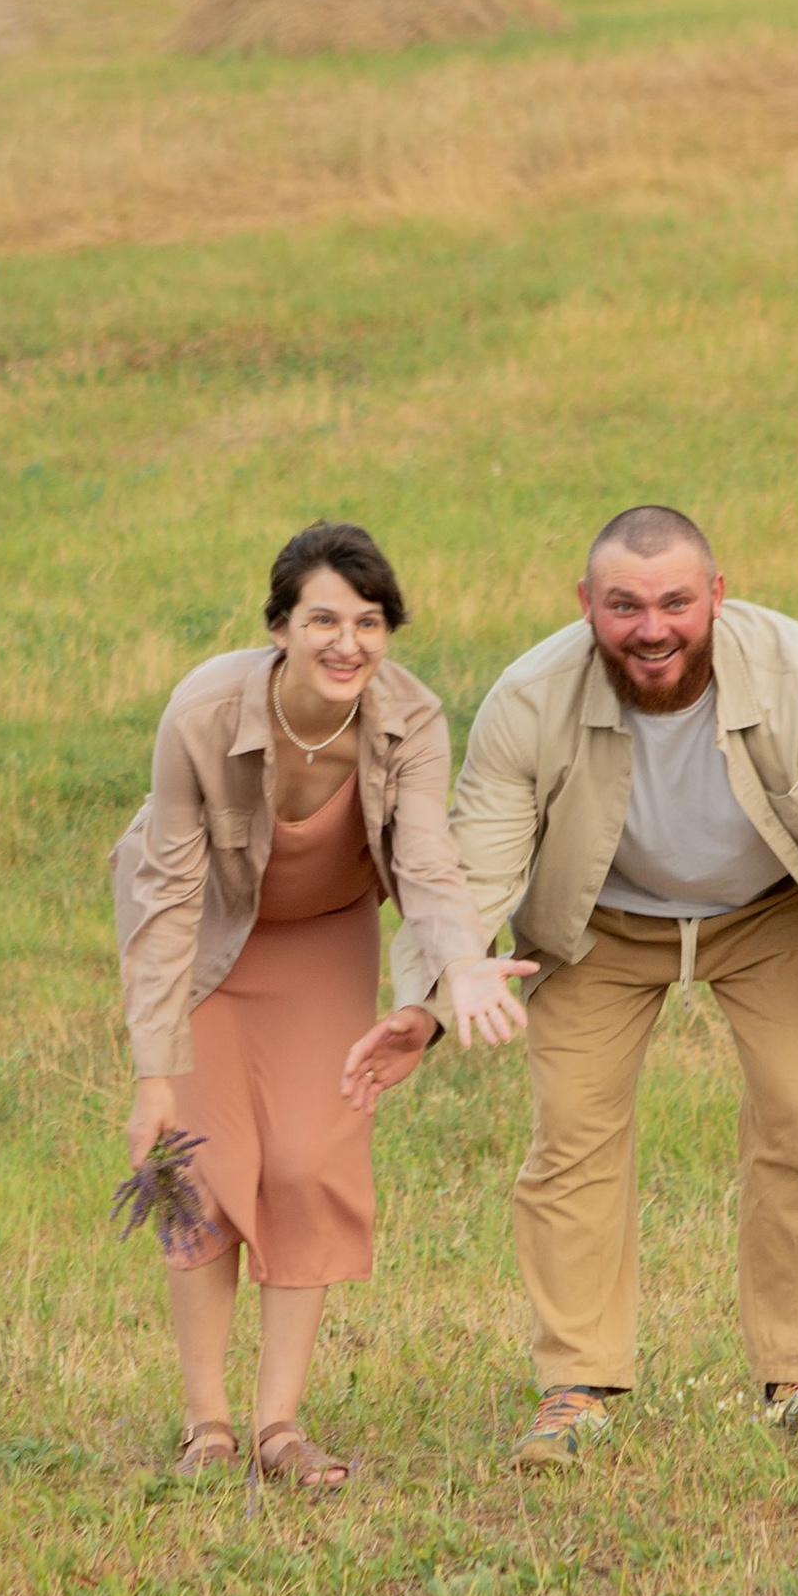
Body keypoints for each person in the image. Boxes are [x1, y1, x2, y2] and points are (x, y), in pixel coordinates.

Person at [348, 505, 798, 1470]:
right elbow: (475, 871)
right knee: (573, 1134)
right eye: (625, 605)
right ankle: (576, 1389)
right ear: (586, 605)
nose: (652, 627)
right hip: (597, 921)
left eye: (677, 600)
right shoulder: (530, 696)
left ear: (717, 595)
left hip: (771, 913)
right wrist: (427, 1004)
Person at [113, 522, 530, 1489]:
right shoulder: (205, 711)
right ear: (281, 627)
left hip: (323, 938)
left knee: (307, 1165)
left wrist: (461, 961)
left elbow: (425, 855)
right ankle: (205, 1423)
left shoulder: (409, 719)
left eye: (371, 622)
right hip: (207, 936)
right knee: (203, 1174)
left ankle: (279, 1429)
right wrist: (150, 1076)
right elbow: (169, 895)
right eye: (325, 620)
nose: (349, 643)